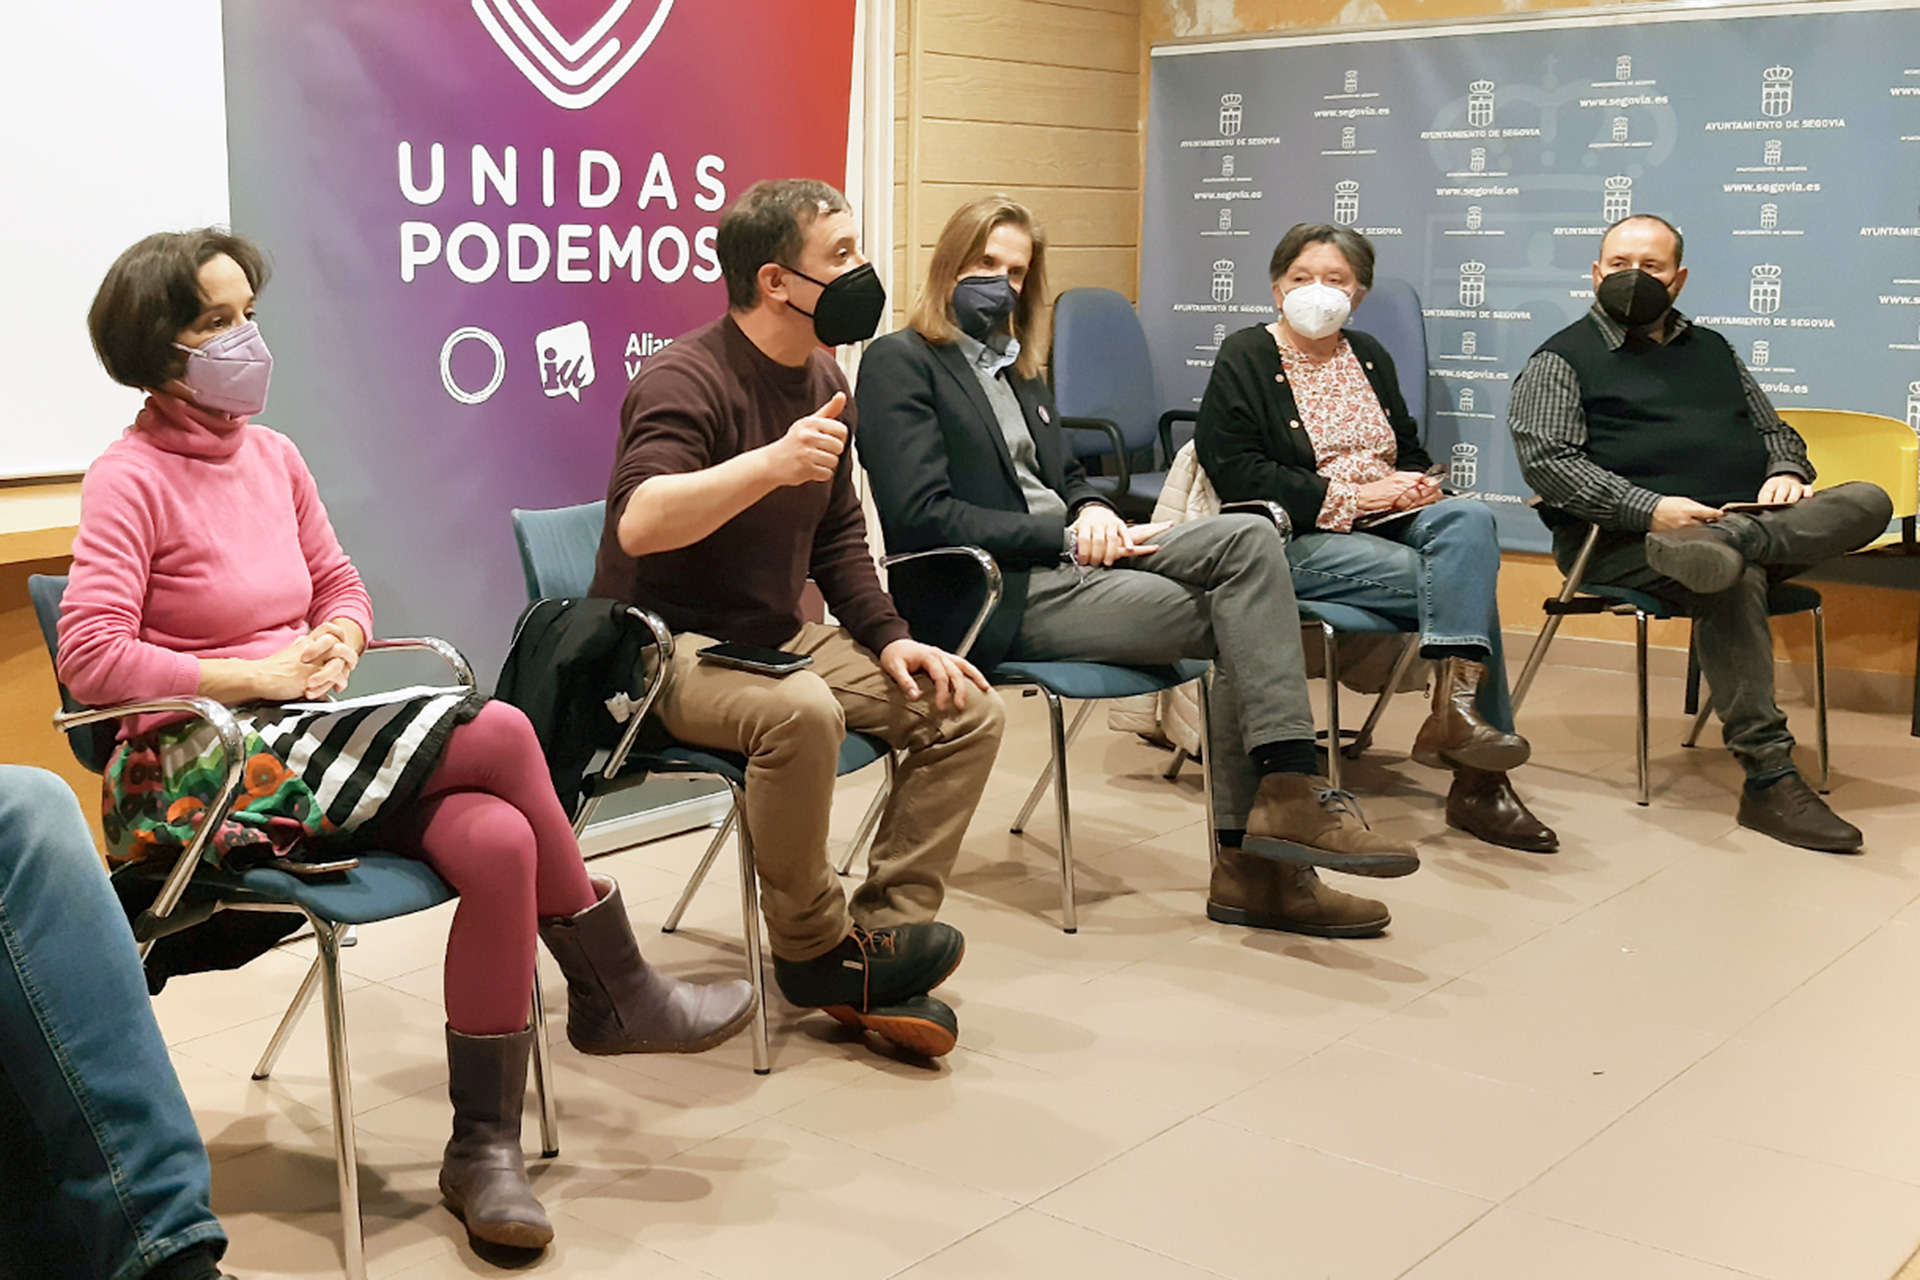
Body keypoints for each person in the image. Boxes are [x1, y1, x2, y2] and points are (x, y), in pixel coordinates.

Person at [60, 229, 757, 1256]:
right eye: (218, 319)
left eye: (250, 310)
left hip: (306, 736)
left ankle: (484, 1148)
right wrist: (256, 674)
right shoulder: (128, 476)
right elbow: (90, 658)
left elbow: (340, 584)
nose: (247, 335)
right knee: (505, 726)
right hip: (204, 765)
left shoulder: (276, 456)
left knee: (503, 842)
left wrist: (338, 633)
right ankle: (614, 987)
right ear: (157, 344)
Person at [856, 195, 1421, 940]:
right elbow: (919, 515)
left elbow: (1070, 475)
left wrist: (1091, 509)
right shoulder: (901, 361)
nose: (1001, 282)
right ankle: (1261, 864)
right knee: (1244, 620)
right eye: (985, 263)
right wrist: (1062, 533)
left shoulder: (1019, 368)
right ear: (947, 265)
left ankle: (1286, 787)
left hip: (1075, 558)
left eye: (1017, 271)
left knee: (1248, 537)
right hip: (994, 592)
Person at [589, 179, 1002, 1056]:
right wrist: (769, 464)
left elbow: (841, 539)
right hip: (663, 651)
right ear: (776, 281)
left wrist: (893, 640)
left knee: (965, 708)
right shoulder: (683, 376)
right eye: (842, 255)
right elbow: (642, 517)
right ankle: (813, 948)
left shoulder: (821, 374)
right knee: (802, 712)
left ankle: (878, 938)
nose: (863, 270)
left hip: (772, 635)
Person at [1510, 214, 1892, 852]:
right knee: (1729, 581)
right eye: (1620, 264)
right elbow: (1551, 465)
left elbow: (1777, 434)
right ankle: (1769, 776)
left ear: (1678, 279)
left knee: (1868, 500)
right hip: (1623, 545)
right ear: (1596, 272)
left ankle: (1730, 541)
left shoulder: (1714, 350)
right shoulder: (1560, 359)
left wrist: (1788, 472)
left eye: (1652, 267)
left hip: (1737, 523)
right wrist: (1651, 509)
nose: (1635, 278)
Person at [1195, 223, 1558, 854]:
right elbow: (1234, 466)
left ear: (1357, 293)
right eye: (1303, 277)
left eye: (1335, 280)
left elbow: (1408, 449)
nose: (1318, 291)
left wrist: (1415, 483)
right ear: (1277, 285)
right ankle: (1478, 776)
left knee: (1470, 521)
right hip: (1296, 534)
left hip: (1390, 521)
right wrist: (1350, 497)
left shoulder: (1367, 355)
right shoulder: (1247, 354)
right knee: (1461, 580)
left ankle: (1455, 717)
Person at [0, 766, 234, 1280]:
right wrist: (260, 678)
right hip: (178, 765)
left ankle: (174, 1256)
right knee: (22, 804)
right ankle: (170, 1257)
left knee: (31, 805)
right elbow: (103, 681)